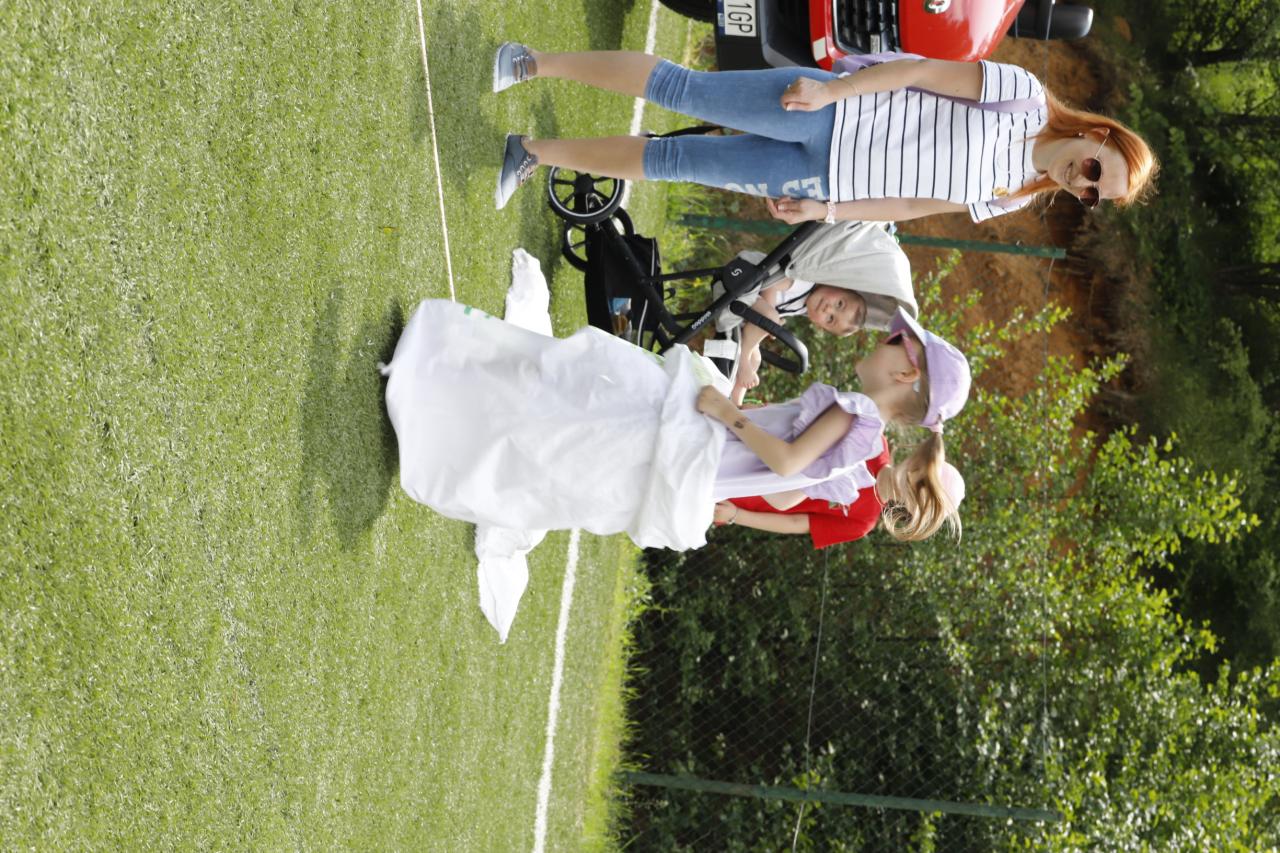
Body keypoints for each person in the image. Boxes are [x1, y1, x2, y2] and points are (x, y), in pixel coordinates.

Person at [380, 299, 969, 552]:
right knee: (568, 450)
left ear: (904, 372)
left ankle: (446, 391)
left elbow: (787, 465)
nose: (883, 340)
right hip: (696, 474)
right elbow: (786, 493)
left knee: (575, 401)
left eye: (895, 341)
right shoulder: (862, 451)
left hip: (697, 439)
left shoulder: (857, 415)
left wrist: (729, 413)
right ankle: (452, 434)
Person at [491, 43, 1158, 223]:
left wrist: (827, 210)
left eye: (1092, 197)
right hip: (828, 111)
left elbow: (910, 205)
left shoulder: (1013, 195)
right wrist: (831, 91)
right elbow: (920, 71)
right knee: (680, 90)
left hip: (818, 178)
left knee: (674, 162)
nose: (1082, 184)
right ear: (1099, 136)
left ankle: (530, 153)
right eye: (1096, 171)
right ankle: (530, 63)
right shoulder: (1023, 96)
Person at [712, 434, 966, 548]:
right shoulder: (873, 441)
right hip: (743, 447)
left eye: (920, 495)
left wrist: (736, 515)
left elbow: (796, 522)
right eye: (922, 477)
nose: (911, 480)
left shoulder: (862, 522)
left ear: (914, 512)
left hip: (734, 498)